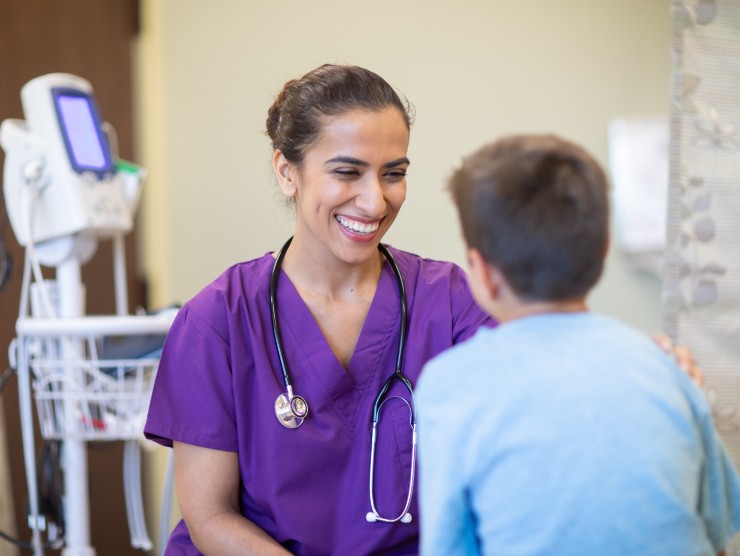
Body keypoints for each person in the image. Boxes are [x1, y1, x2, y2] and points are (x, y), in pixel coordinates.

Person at [144, 64, 493, 555]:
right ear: (288, 172)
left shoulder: (452, 303)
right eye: (347, 172)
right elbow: (210, 516)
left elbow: (523, 438)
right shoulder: (219, 320)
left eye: (393, 174)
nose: (375, 202)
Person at [415, 134, 740, 556]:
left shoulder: (450, 385)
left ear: (482, 272)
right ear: (603, 251)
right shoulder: (666, 369)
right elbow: (714, 533)